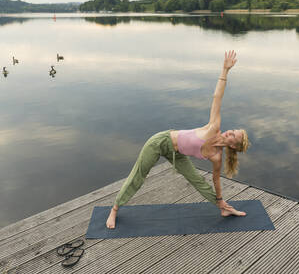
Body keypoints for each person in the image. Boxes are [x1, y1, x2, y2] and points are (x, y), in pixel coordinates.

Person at [106, 50, 250, 229]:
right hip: (160, 142)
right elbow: (217, 97)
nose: (229, 132)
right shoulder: (214, 127)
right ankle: (114, 209)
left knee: (198, 181)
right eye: (232, 130)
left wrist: (220, 200)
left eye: (232, 136)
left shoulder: (217, 157)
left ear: (233, 146)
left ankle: (224, 209)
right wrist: (225, 70)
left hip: (178, 154)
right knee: (139, 175)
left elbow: (216, 180)